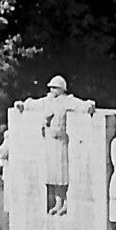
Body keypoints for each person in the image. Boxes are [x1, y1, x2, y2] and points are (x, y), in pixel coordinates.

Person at [38, 75, 85, 214]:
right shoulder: (47, 101)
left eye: (55, 87)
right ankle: (57, 202)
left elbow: (79, 104)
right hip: (50, 141)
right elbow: (34, 103)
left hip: (60, 141)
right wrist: (23, 105)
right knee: (52, 176)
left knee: (62, 176)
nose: (52, 90)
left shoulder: (66, 101)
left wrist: (88, 106)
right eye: (51, 87)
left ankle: (64, 202)